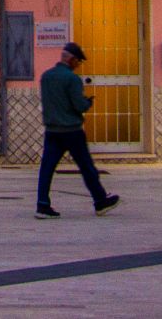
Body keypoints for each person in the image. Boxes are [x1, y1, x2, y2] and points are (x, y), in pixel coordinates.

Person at [35, 42, 119, 219]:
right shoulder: (72, 79)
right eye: (78, 61)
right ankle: (100, 200)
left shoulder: (46, 76)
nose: (78, 65)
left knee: (47, 168)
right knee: (86, 166)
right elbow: (79, 105)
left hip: (52, 130)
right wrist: (87, 102)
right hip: (72, 131)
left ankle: (42, 204)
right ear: (72, 59)